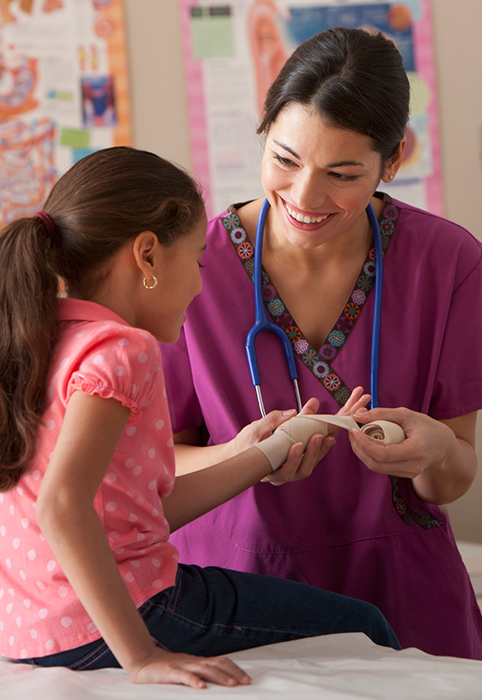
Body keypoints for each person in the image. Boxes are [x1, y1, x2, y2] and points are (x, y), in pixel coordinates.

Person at [0, 147, 400, 689]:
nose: (197, 284)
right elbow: (63, 505)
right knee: (365, 626)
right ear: (147, 255)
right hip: (125, 615)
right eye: (196, 261)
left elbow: (138, 518)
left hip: (33, 632)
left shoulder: (46, 338)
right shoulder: (123, 350)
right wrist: (141, 655)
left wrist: (262, 452)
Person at [160, 27, 482, 659]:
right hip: (233, 592)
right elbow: (152, 465)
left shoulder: (450, 262)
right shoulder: (189, 262)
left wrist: (437, 447)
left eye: (342, 173)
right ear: (263, 132)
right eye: (285, 159)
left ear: (393, 162)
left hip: (402, 592)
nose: (305, 198)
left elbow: (453, 478)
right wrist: (243, 457)